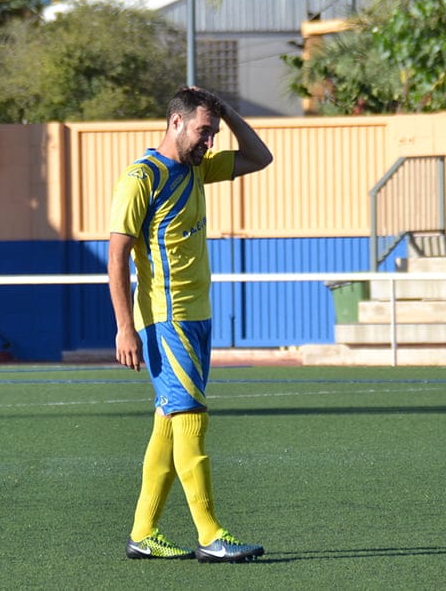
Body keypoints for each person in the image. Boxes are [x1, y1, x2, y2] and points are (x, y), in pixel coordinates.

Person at [107, 86, 273, 563]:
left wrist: (225, 111)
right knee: (192, 418)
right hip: (167, 318)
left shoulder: (197, 168)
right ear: (175, 122)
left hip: (197, 316)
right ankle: (210, 534)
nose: (210, 142)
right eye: (204, 131)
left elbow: (259, 157)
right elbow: (117, 254)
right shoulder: (143, 177)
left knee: (168, 421)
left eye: (214, 133)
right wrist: (125, 327)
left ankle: (144, 533)